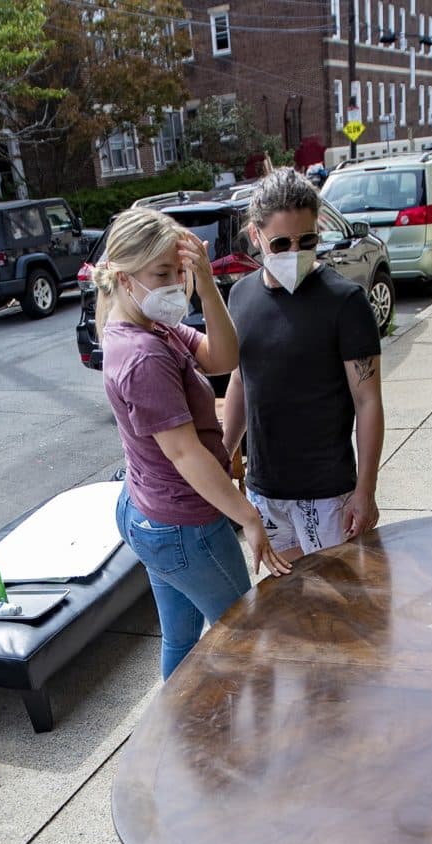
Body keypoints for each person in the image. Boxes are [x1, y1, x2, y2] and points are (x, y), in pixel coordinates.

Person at [94, 208, 293, 679]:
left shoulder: (149, 327)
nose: (172, 284)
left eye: (178, 271)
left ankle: (180, 741)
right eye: (162, 273)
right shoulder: (142, 355)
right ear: (123, 278)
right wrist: (248, 516)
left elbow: (222, 357)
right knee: (247, 636)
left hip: (149, 511)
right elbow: (184, 454)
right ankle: (252, 743)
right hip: (181, 523)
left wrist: (206, 285)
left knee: (182, 641)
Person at [220, 169, 385, 561]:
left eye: (307, 240)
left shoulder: (346, 303)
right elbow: (241, 382)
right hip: (267, 494)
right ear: (255, 235)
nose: (295, 252)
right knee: (288, 612)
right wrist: (223, 453)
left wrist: (366, 489)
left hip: (329, 496)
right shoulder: (240, 297)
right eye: (281, 243)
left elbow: (368, 401)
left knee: (343, 612)